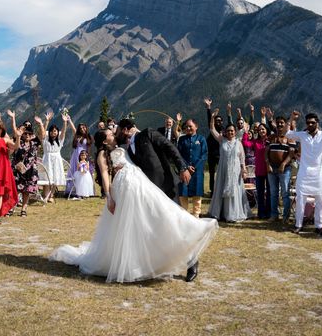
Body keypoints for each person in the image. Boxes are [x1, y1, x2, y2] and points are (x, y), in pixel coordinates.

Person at [49, 129, 218, 283]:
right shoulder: (102, 154)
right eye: (110, 133)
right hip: (125, 189)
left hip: (141, 184)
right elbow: (105, 176)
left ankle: (188, 242)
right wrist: (109, 197)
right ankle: (137, 263)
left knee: (160, 213)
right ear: (105, 141)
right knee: (136, 226)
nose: (113, 134)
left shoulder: (125, 147)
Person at [287, 109, 322, 237]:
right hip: (304, 175)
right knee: (300, 200)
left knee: (321, 202)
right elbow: (287, 134)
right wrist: (292, 119)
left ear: (317, 123)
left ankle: (319, 227)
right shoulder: (302, 135)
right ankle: (298, 225)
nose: (310, 125)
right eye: (308, 123)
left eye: (312, 122)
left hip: (320, 176)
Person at [207, 109, 251, 223]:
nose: (230, 133)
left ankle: (233, 213)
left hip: (235, 170)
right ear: (225, 132)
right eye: (228, 131)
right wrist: (212, 117)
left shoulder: (238, 142)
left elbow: (242, 158)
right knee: (222, 189)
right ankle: (221, 213)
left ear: (235, 132)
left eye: (232, 131)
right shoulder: (222, 140)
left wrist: (244, 170)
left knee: (235, 190)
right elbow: (211, 129)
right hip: (223, 169)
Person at [266, 116, 295, 223]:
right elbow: (266, 152)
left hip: (285, 169)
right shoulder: (271, 137)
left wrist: (283, 163)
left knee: (285, 193)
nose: (280, 125)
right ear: (275, 124)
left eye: (282, 123)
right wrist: (267, 164)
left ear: (285, 124)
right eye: (278, 123)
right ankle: (274, 215)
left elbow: (291, 153)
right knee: (273, 193)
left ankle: (286, 216)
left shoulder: (289, 138)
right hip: (272, 169)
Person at [36, 111, 70, 202]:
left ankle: (51, 195)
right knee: (47, 177)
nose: (53, 132)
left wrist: (65, 122)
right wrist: (46, 121)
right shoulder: (45, 140)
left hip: (57, 159)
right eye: (51, 131)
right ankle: (46, 195)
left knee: (55, 177)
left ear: (57, 132)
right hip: (47, 159)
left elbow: (63, 132)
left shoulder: (60, 140)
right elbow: (42, 134)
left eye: (55, 131)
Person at [177, 118, 208, 217]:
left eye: (190, 126)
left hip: (197, 172)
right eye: (186, 126)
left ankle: (196, 215)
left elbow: (204, 155)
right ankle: (184, 215)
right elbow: (178, 155)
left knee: (197, 193)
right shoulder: (182, 139)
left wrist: (194, 167)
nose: (188, 128)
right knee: (183, 192)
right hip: (184, 171)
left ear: (196, 127)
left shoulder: (201, 139)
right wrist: (186, 167)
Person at [12, 125, 40, 216]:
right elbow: (14, 153)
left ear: (32, 135)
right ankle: (11, 207)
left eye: (29, 133)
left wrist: (42, 123)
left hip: (31, 171)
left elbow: (42, 135)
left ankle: (24, 209)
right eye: (25, 133)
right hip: (19, 170)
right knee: (16, 190)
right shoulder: (18, 142)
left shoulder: (35, 144)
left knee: (27, 191)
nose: (27, 135)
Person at [65, 119, 92, 196]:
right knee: (74, 171)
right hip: (75, 156)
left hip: (83, 156)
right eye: (80, 128)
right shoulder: (77, 136)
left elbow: (88, 149)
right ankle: (72, 190)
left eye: (84, 127)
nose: (82, 129)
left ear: (86, 128)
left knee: (82, 172)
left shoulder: (88, 137)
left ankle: (82, 190)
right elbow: (74, 129)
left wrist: (87, 159)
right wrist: (69, 120)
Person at [204, 98, 223, 196]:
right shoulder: (213, 130)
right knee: (211, 173)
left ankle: (220, 190)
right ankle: (212, 191)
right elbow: (209, 120)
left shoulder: (224, 131)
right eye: (217, 120)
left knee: (221, 174)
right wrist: (208, 108)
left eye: (220, 120)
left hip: (221, 155)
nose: (218, 122)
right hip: (211, 155)